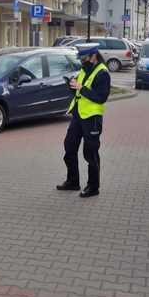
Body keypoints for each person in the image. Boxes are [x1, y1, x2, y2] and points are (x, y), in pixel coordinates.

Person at [56, 42, 111, 198]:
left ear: (93, 57)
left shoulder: (102, 73)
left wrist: (81, 88)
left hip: (92, 118)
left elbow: (101, 97)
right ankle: (73, 181)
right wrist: (73, 86)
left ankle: (93, 187)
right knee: (69, 146)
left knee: (90, 152)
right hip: (79, 115)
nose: (82, 62)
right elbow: (80, 93)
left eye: (84, 59)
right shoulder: (84, 69)